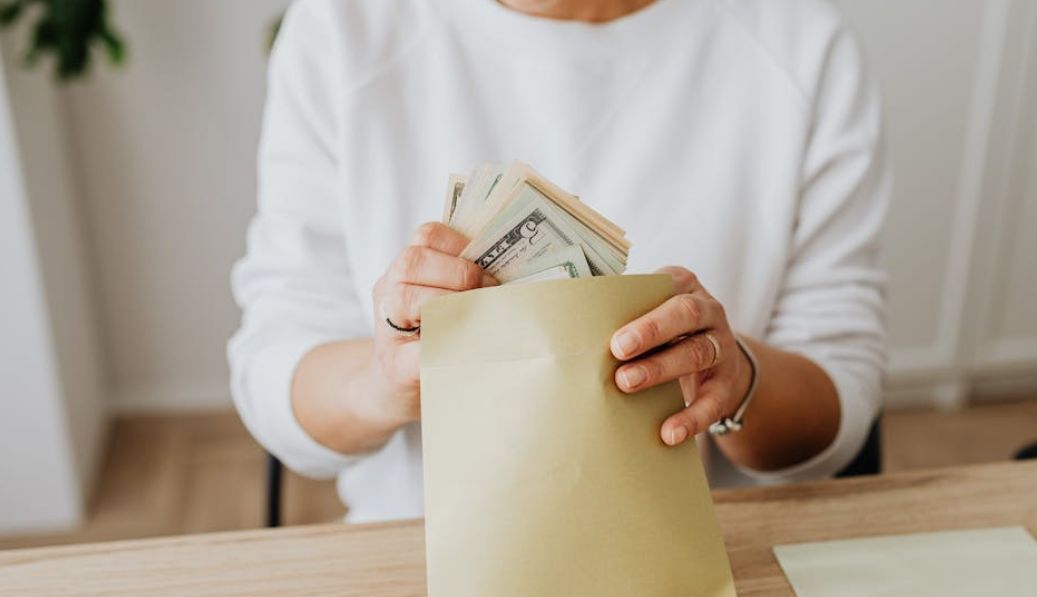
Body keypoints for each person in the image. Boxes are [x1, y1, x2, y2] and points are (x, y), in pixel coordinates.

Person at [230, 0, 890, 522]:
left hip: (718, 565)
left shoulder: (799, 45)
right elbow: (275, 372)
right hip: (422, 569)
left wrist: (735, 379)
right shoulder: (342, 30)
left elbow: (839, 403)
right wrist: (384, 380)